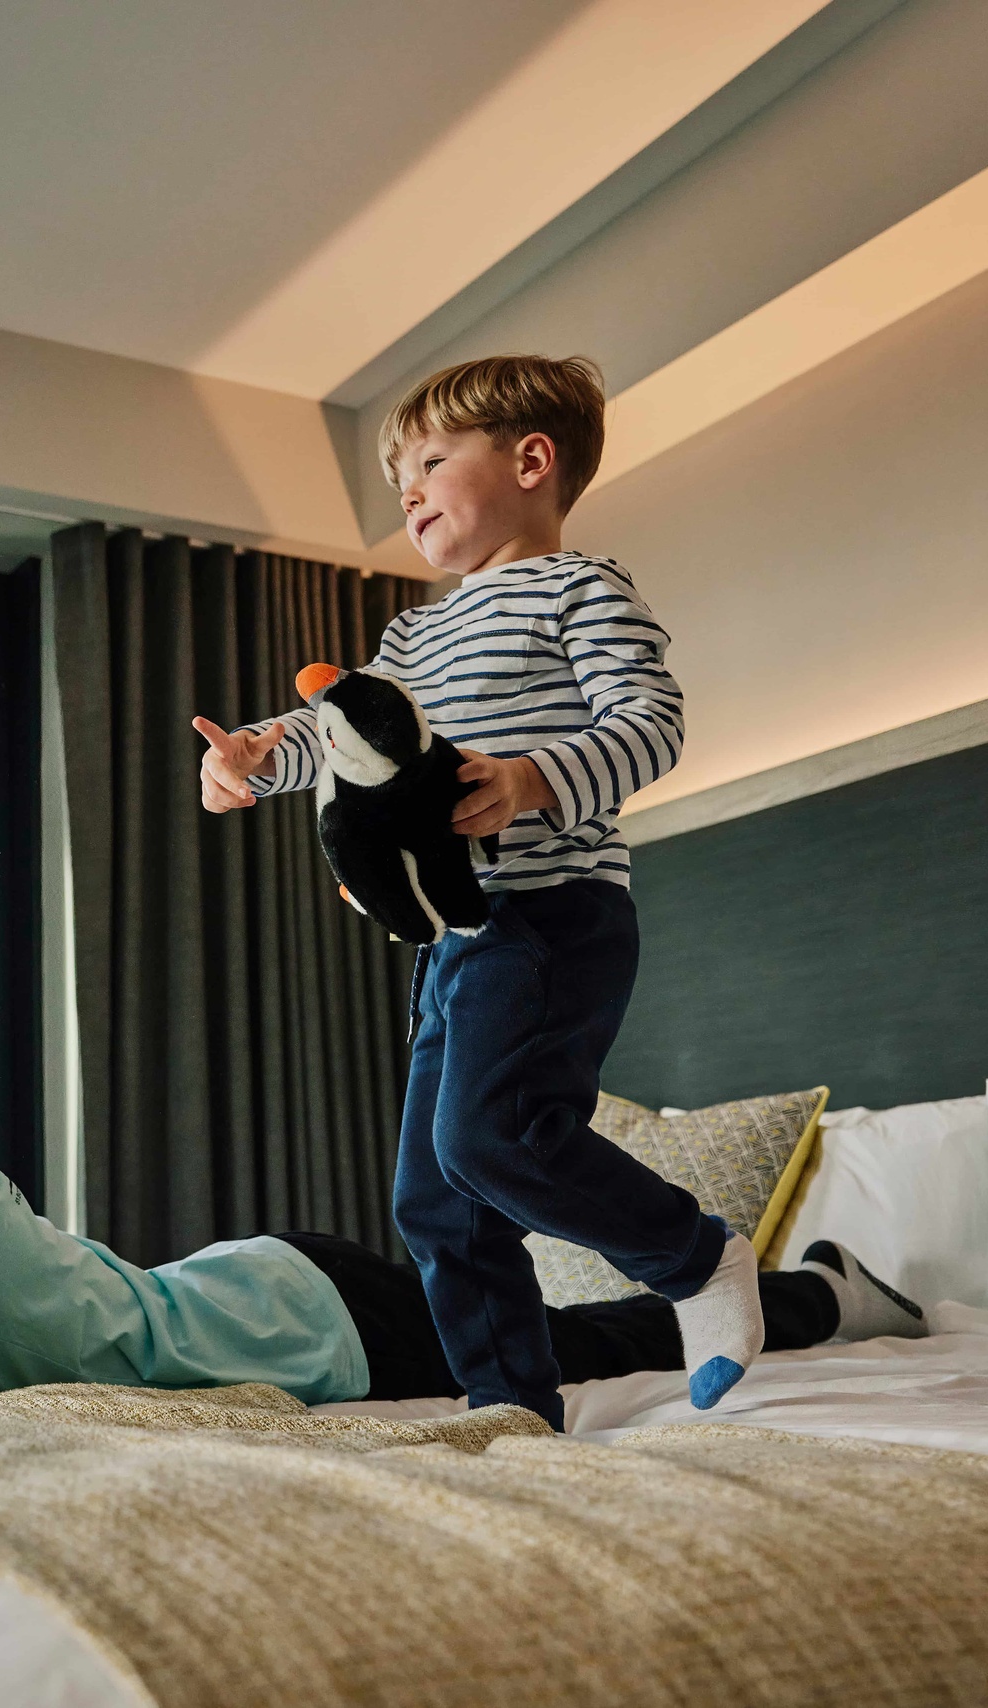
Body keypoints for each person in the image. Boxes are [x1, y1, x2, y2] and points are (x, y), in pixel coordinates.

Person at [191, 355, 754, 1431]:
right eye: (399, 474)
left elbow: (650, 723)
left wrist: (529, 780)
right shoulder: (412, 632)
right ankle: (515, 1411)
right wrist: (261, 752)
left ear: (530, 461)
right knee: (435, 1200)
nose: (406, 491)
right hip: (457, 940)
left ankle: (695, 1256)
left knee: (490, 1138)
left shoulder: (582, 588)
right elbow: (351, 734)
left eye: (431, 462)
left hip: (555, 915)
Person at [0, 981, 924, 1414]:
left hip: (305, 1317)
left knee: (581, 1344)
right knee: (567, 1336)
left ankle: (822, 1294)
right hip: (253, 1286)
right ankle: (800, 1290)